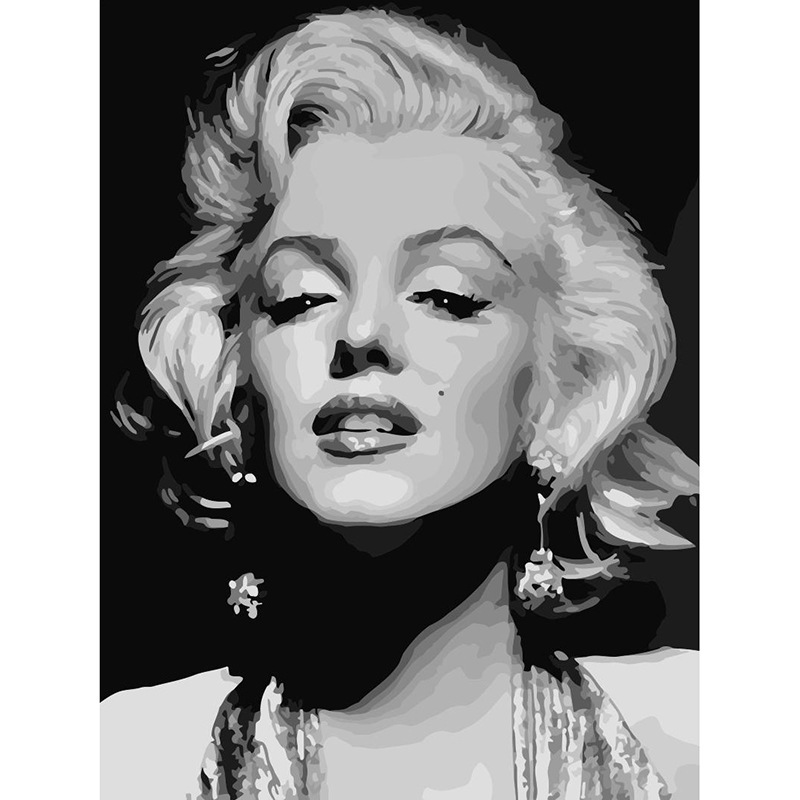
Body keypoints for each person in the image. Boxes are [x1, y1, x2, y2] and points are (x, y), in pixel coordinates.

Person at [101, 8, 699, 799]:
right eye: (299, 298)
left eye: (448, 296)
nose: (362, 334)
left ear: (566, 391)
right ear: (236, 383)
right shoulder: (117, 764)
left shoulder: (710, 737)